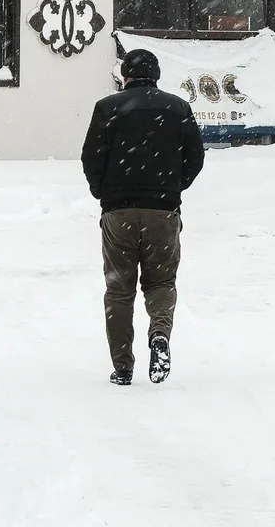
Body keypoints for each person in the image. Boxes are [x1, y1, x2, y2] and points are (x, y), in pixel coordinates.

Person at [81, 49, 205, 386]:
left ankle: (123, 366)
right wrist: (172, 188)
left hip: (118, 211)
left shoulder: (108, 108)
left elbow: (91, 157)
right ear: (157, 75)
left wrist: (104, 193)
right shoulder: (178, 107)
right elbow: (195, 158)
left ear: (125, 76)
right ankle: (160, 333)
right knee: (161, 282)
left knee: (119, 290)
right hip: (163, 211)